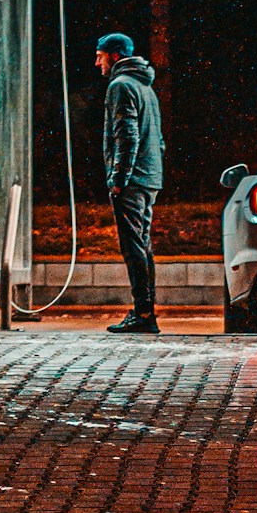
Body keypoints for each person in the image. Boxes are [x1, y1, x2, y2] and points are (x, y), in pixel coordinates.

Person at [95, 32, 165, 336]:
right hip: (149, 177)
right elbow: (157, 139)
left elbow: (127, 135)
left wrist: (118, 179)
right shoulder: (146, 87)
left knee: (133, 245)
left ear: (114, 56)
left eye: (100, 55)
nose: (97, 62)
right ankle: (145, 311)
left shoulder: (120, 85)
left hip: (132, 179)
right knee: (143, 245)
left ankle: (143, 313)